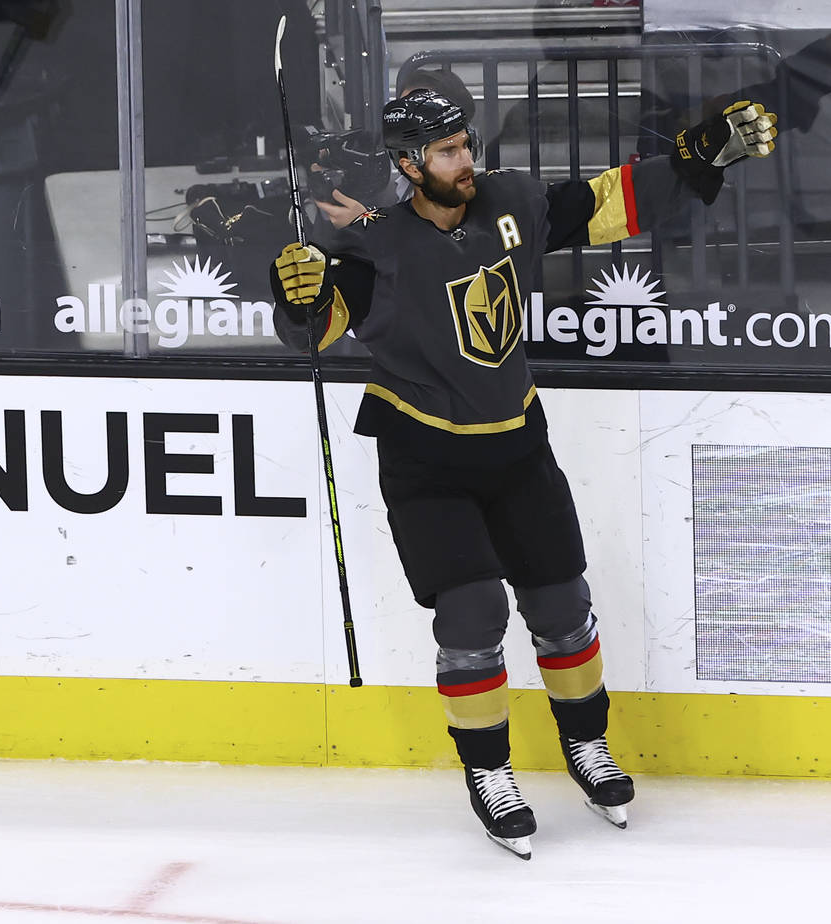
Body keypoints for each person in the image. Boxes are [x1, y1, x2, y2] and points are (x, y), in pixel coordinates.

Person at [269, 89, 777, 859]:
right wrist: (295, 293)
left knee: (563, 606)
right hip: (425, 456)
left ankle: (587, 746)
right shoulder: (377, 250)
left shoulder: (509, 203)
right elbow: (317, 325)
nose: (465, 159)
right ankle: (490, 772)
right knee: (472, 614)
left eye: (465, 143)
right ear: (410, 166)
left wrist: (694, 155)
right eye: (445, 152)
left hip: (517, 446)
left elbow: (607, 204)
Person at [313, 67, 476, 230]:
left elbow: (441, 249)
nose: (405, 123)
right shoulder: (388, 187)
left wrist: (367, 228)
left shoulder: (472, 200)